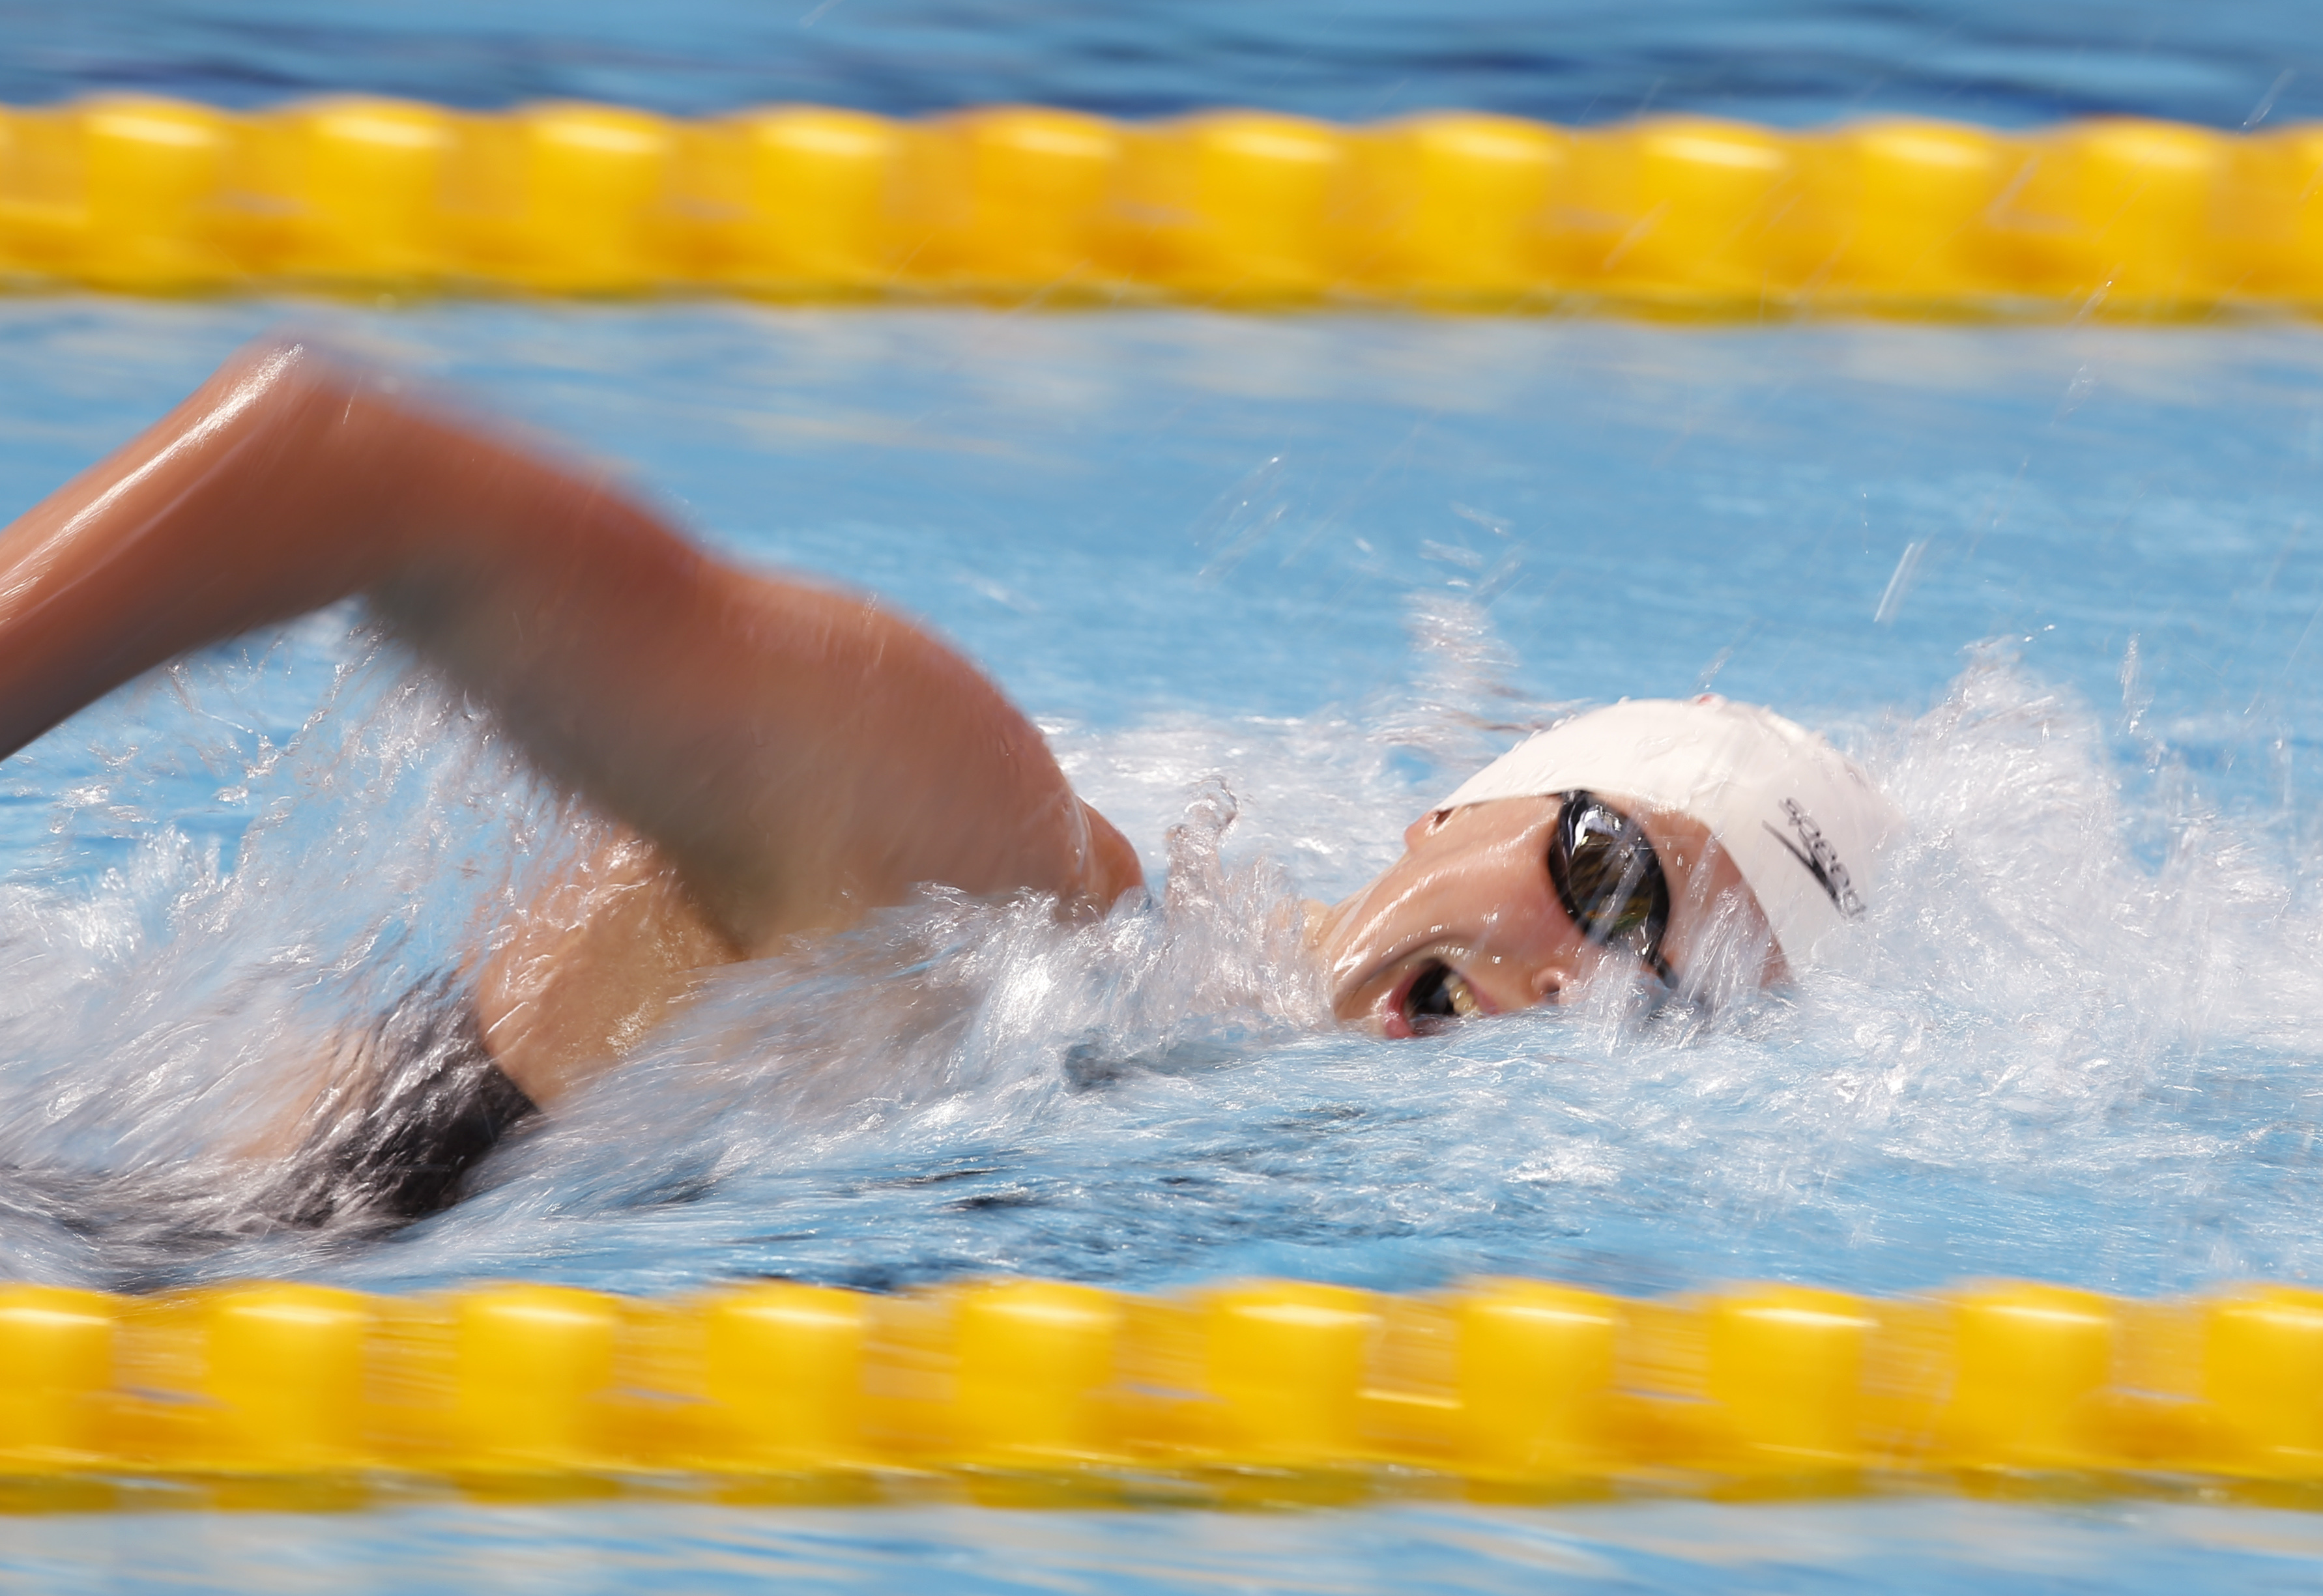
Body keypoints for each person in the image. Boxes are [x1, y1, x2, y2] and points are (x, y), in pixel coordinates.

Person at [0, 341, 1896, 1226]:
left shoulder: (1214, 1162)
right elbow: (344, 471)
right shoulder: (984, 870)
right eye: (1611, 878)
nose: (1584, 986)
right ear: (1460, 812)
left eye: (1676, 1012)